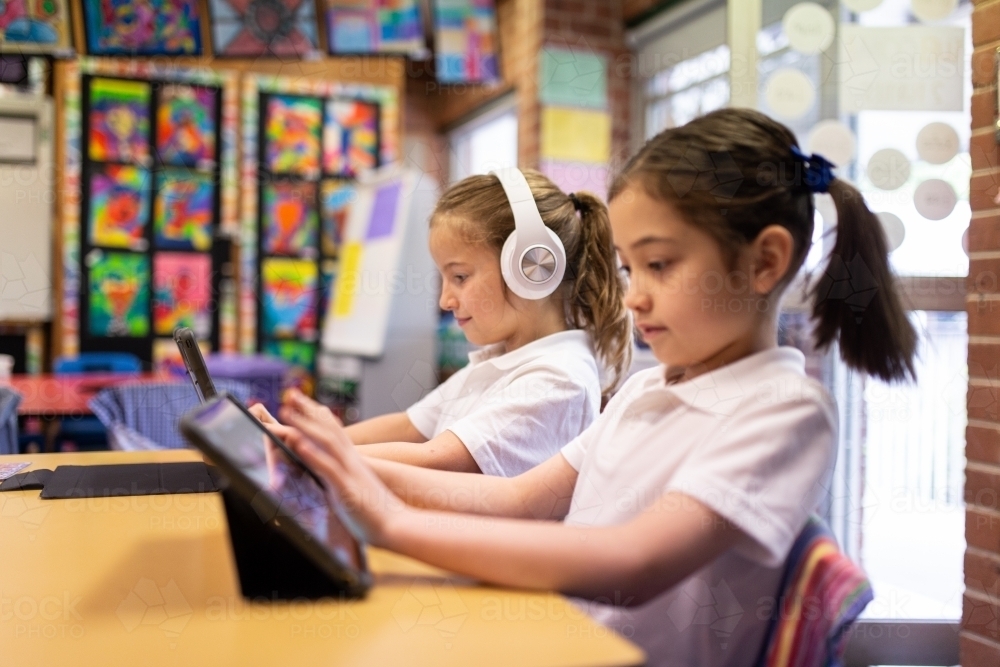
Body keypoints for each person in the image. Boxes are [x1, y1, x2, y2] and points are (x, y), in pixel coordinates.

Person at [273, 108, 917, 666]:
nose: (634, 295)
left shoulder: (786, 412)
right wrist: (341, 465)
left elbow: (630, 565)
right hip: (555, 636)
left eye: (659, 265)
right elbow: (518, 503)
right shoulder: (643, 392)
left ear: (766, 261)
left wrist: (391, 523)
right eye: (630, 267)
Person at [252, 168, 631, 477]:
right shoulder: (499, 360)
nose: (445, 300)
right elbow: (410, 426)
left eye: (460, 277)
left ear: (533, 268)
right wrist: (303, 441)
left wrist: (313, 454)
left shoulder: (557, 379)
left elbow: (439, 457)